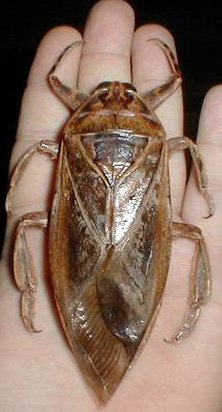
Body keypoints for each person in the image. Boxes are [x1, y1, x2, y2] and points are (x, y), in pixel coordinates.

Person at [1, 0, 222, 410]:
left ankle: (192, 304)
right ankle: (31, 292)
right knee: (193, 233)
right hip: (139, 177)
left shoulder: (70, 135)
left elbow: (54, 81)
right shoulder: (159, 138)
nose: (116, 96)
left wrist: (14, 188)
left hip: (92, 195)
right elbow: (176, 91)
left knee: (29, 221)